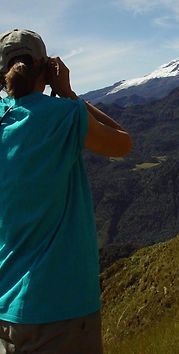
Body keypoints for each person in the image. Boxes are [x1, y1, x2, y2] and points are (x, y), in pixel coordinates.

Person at [0, 29, 132, 353]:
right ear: (46, 70)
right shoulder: (65, 117)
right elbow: (122, 142)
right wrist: (69, 94)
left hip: (6, 309)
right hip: (62, 309)